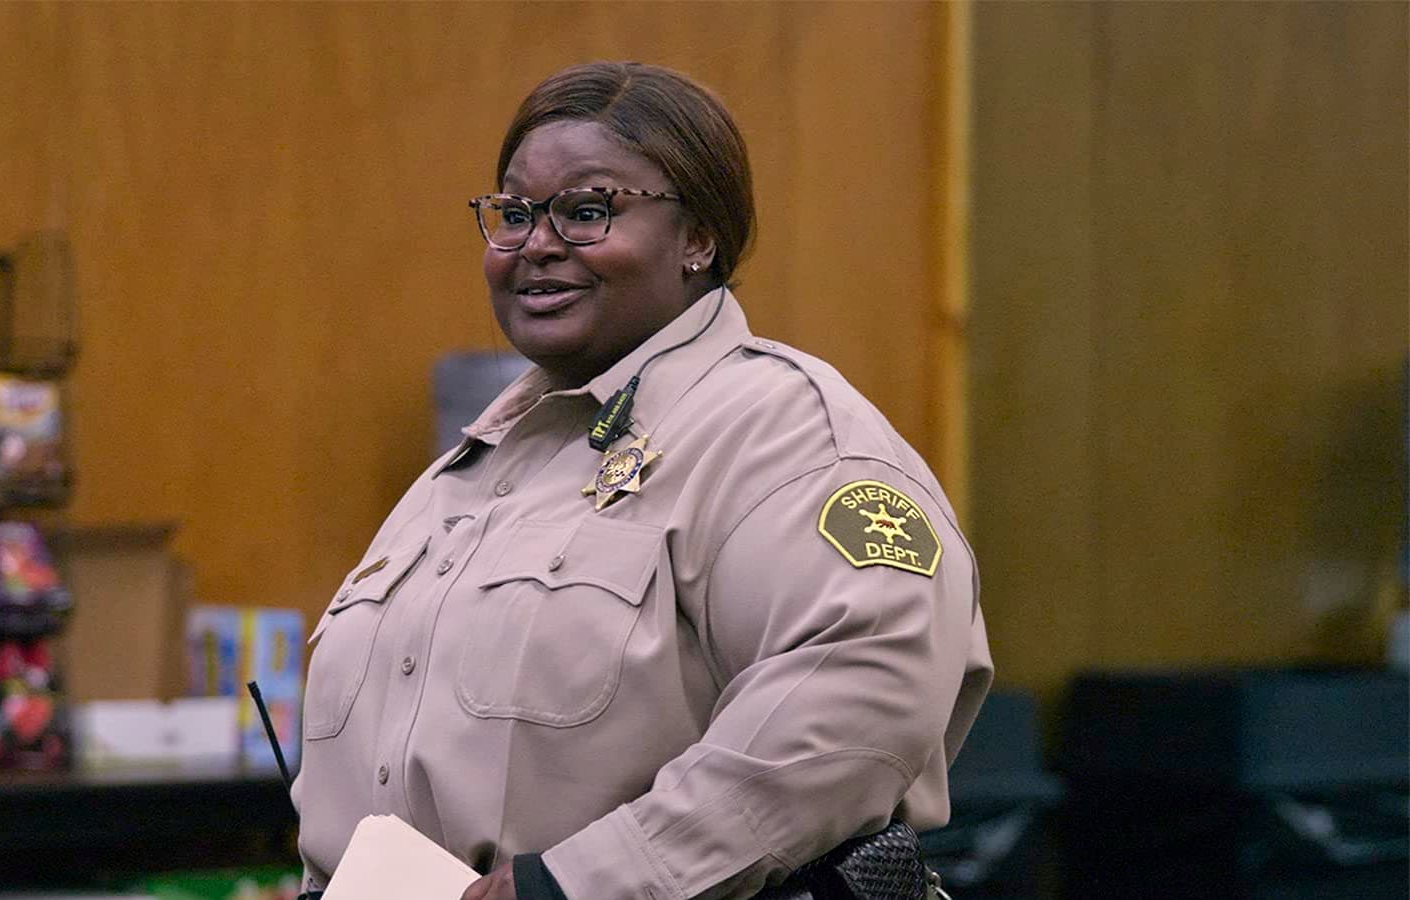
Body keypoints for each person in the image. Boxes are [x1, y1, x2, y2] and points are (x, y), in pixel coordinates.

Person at [293, 61, 992, 900]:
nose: (537, 244)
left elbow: (858, 704)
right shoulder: (467, 472)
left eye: (588, 211)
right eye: (514, 214)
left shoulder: (783, 434)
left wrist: (572, 886)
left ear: (699, 238)